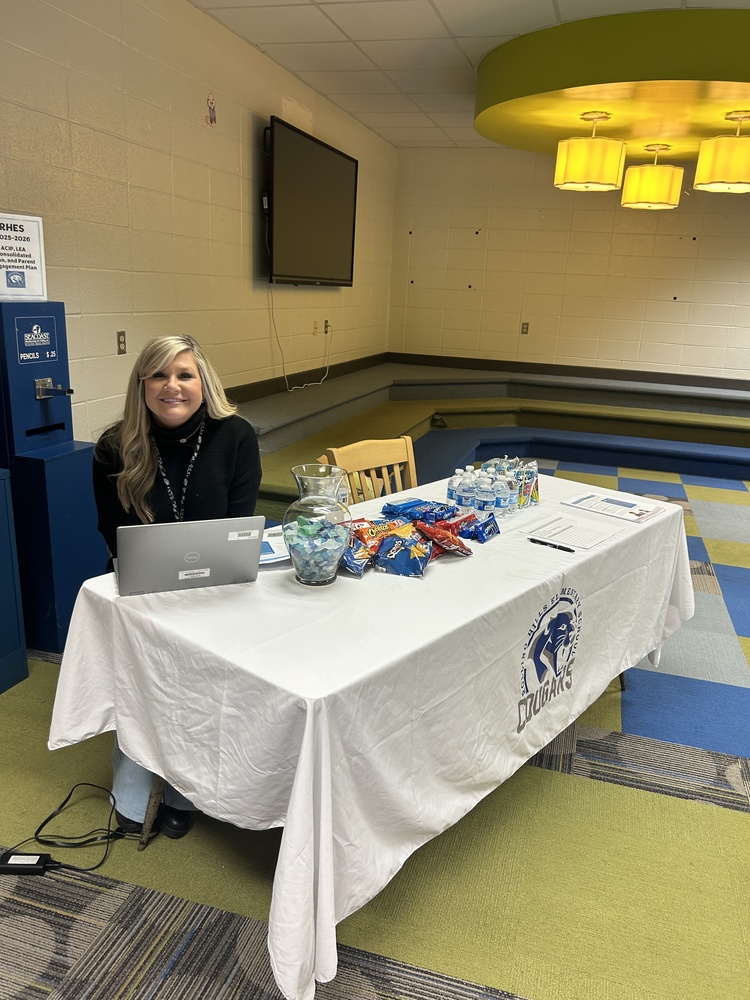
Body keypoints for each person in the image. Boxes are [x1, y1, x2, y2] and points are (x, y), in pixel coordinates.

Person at [93, 334, 262, 839]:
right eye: (159, 376)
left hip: (216, 589)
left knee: (201, 691)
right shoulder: (113, 446)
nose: (173, 386)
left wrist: (203, 583)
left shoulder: (235, 435)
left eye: (184, 374)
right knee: (141, 687)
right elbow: (113, 533)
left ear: (202, 381)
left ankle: (186, 795)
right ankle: (133, 793)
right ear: (141, 384)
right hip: (142, 592)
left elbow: (238, 523)